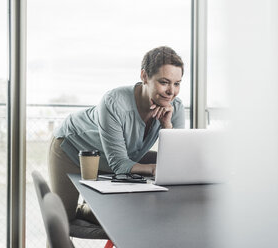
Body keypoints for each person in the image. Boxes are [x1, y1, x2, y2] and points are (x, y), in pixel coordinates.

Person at [48, 46, 185, 223]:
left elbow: (177, 165)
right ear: (144, 76)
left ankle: (85, 209)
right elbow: (120, 165)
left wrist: (166, 126)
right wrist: (154, 168)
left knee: (123, 217)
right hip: (73, 146)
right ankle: (75, 211)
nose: (171, 91)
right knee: (62, 221)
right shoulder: (113, 102)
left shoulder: (176, 108)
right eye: (164, 82)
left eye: (177, 83)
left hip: (113, 158)